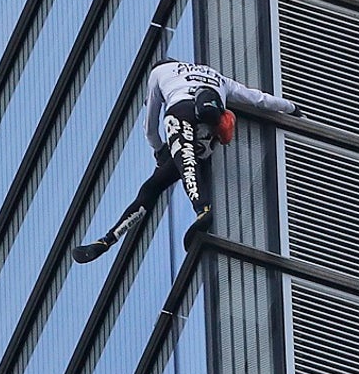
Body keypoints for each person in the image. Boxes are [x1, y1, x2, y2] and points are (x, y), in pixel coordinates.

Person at [72, 59, 304, 264]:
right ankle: (107, 240)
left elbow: (149, 127)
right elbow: (258, 98)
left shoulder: (159, 72)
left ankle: (202, 209)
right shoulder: (216, 76)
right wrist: (292, 109)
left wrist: (159, 150)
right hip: (208, 129)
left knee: (173, 171)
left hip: (180, 113)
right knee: (169, 175)